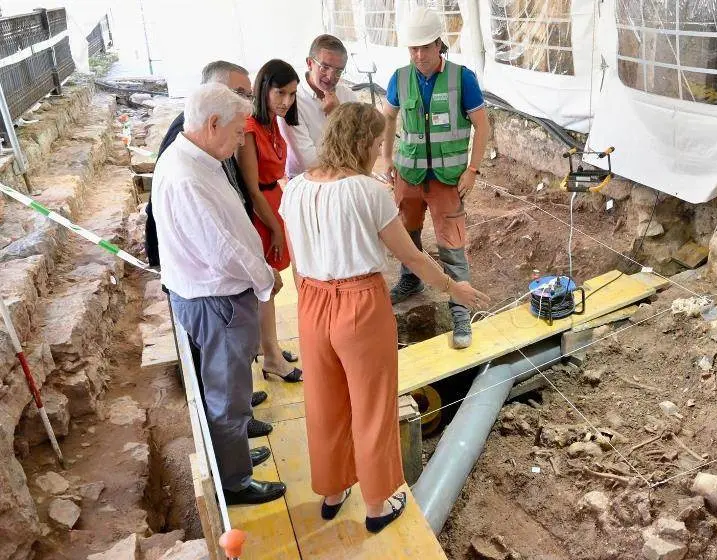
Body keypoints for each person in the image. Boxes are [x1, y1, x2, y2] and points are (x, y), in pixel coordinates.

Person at [279, 102, 490, 533]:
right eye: (378, 143)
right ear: (361, 142)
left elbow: (297, 262)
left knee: (324, 401)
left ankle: (333, 492)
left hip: (312, 303)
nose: (380, 151)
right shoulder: (369, 192)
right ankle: (378, 503)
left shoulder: (294, 189)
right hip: (360, 303)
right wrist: (455, 289)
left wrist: (310, 302)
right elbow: (411, 256)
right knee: (373, 405)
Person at [153, 82, 286, 505]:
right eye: (235, 132)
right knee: (225, 394)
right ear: (212, 124)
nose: (240, 140)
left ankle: (236, 447)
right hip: (217, 300)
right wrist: (265, 277)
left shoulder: (194, 157)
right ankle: (235, 480)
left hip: (216, 296)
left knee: (231, 381)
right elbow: (222, 250)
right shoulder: (188, 177)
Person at [379, 7, 491, 350]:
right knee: (407, 233)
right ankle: (410, 279)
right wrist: (387, 158)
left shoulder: (463, 78)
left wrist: (472, 170)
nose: (419, 55)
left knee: (451, 245)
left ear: (440, 44)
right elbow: (388, 119)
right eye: (413, 48)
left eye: (425, 47)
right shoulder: (399, 78)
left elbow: (483, 126)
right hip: (409, 175)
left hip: (448, 179)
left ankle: (461, 309)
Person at [238, 59, 303, 383]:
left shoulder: (271, 123)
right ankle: (272, 357)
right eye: (280, 93)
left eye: (291, 94)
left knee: (272, 287)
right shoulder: (250, 126)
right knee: (265, 285)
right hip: (260, 210)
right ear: (264, 88)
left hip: (274, 204)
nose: (286, 101)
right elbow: (252, 188)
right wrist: (276, 228)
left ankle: (270, 347)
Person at [281, 34, 357, 179]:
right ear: (310, 63)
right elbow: (309, 162)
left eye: (339, 71)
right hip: (306, 182)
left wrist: (337, 112)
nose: (330, 77)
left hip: (344, 178)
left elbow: (363, 143)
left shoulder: (347, 95)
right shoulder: (292, 101)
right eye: (324, 67)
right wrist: (337, 117)